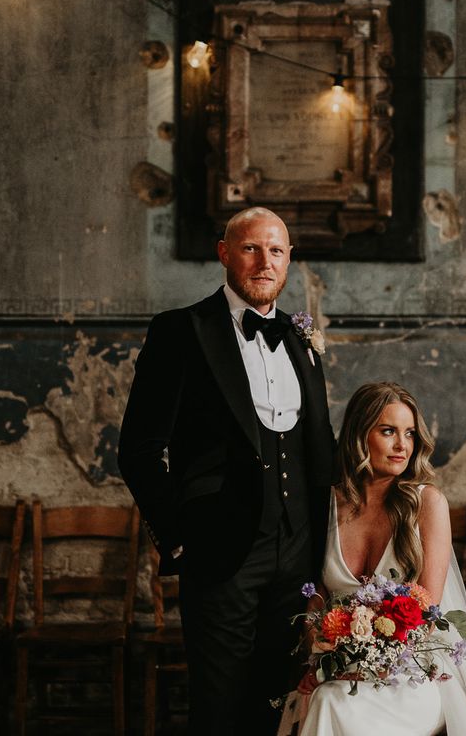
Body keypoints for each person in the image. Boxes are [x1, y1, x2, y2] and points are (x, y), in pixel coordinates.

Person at [118, 207, 335, 735]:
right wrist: (177, 538)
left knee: (283, 700)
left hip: (298, 553)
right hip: (219, 552)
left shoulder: (300, 338)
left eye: (277, 251)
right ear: (223, 253)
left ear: (289, 260)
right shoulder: (181, 331)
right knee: (219, 706)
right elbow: (140, 449)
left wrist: (334, 547)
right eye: (251, 248)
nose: (265, 261)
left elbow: (319, 449)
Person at [281, 381, 466, 736]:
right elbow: (317, 596)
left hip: (412, 676)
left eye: (410, 433)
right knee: (327, 698)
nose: (402, 446)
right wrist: (320, 653)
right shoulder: (326, 505)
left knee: (332, 703)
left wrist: (363, 666)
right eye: (388, 431)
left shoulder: (427, 504)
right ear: (359, 436)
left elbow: (427, 612)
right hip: (339, 673)